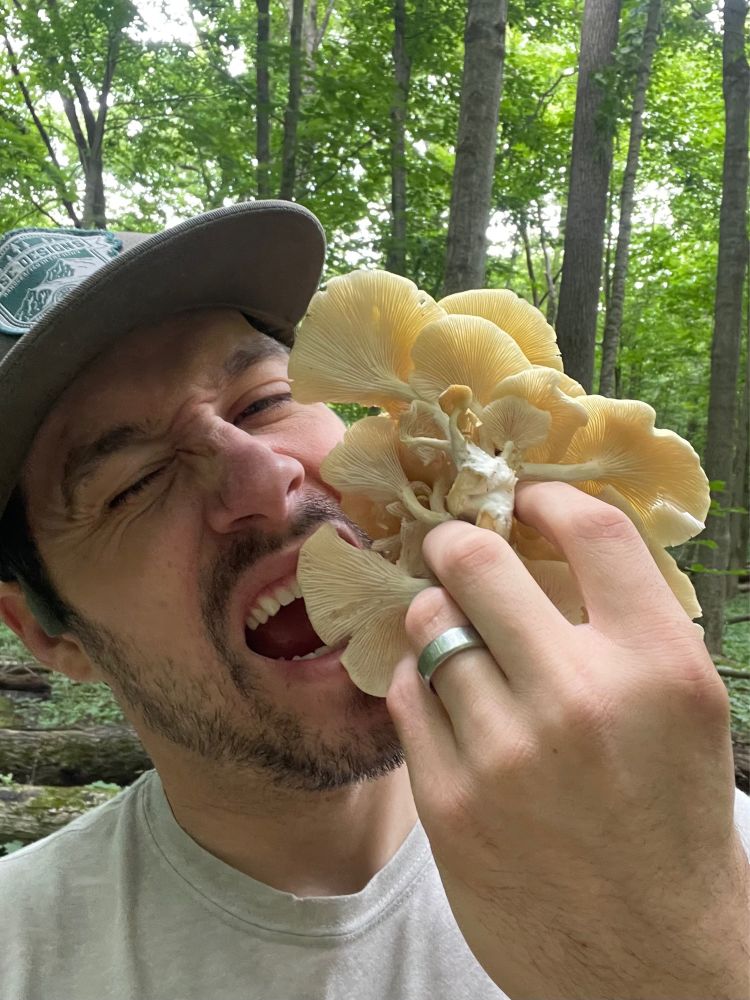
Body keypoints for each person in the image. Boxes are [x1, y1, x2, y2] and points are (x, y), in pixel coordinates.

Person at [0, 202, 747, 1000]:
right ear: (47, 637)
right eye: (134, 484)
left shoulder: (678, 830)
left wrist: (679, 944)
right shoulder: (25, 954)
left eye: (263, 402)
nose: (263, 476)